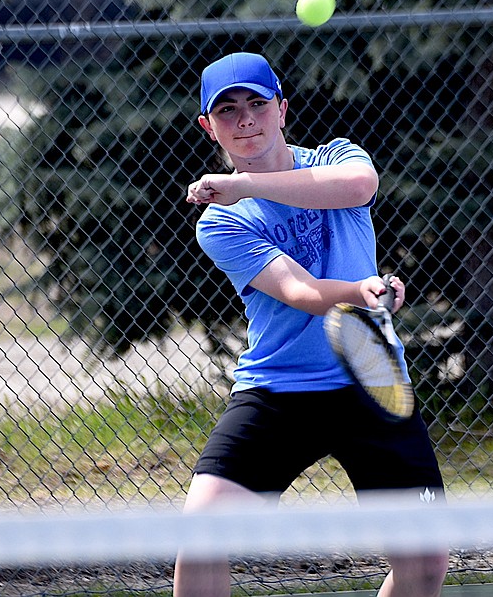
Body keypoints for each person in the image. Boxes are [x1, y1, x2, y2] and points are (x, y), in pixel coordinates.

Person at [178, 51, 449, 597]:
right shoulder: (221, 219)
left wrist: (248, 184)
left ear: (282, 109)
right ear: (210, 128)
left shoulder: (335, 156)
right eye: (227, 111)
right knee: (202, 536)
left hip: (371, 379)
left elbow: (358, 188)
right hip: (280, 390)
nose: (246, 119)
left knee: (425, 562)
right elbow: (301, 292)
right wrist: (362, 292)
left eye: (257, 103)